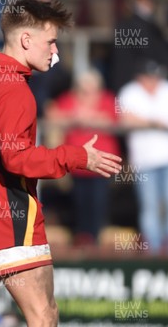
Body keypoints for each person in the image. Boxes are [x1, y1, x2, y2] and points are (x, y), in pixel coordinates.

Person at [0, 0, 122, 326]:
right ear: (26, 40)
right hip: (8, 224)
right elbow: (18, 160)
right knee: (44, 315)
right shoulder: (14, 90)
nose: (55, 52)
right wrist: (78, 156)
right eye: (51, 42)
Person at [117, 60, 168, 255]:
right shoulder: (129, 92)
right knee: (150, 206)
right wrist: (153, 123)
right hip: (144, 160)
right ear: (141, 77)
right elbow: (125, 119)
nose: (154, 80)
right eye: (150, 76)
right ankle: (154, 251)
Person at [46, 69, 121, 246]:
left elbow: (112, 119)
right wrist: (76, 116)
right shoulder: (69, 100)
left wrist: (87, 117)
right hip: (77, 163)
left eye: (91, 89)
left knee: (98, 204)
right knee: (79, 204)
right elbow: (52, 114)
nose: (87, 94)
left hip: (102, 163)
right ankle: (83, 240)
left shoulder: (108, 99)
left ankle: (94, 240)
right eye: (83, 89)